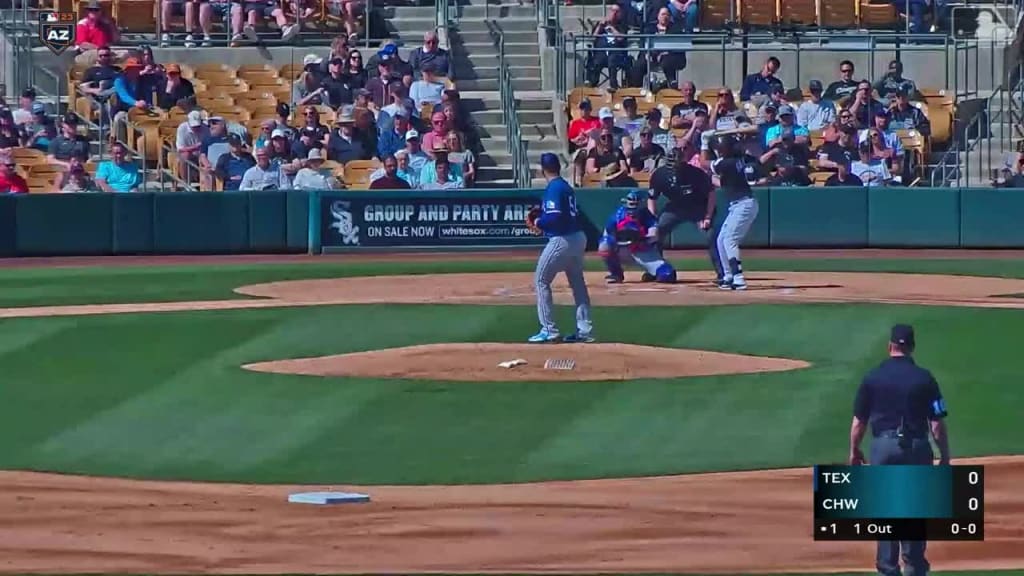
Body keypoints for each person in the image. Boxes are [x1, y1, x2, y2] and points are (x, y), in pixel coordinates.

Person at [850, 324, 950, 576]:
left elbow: (858, 422)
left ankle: (887, 569)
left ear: (890, 346)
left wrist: (854, 451)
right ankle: (914, 567)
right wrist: (945, 456)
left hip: (883, 447)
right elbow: (936, 423)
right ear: (912, 347)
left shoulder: (872, 377)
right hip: (916, 447)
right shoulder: (924, 377)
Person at [528, 153, 593, 344]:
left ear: (542, 169)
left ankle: (549, 329)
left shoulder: (554, 188)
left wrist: (540, 221)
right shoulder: (565, 186)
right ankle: (584, 330)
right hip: (578, 238)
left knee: (541, 280)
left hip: (562, 239)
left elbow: (554, 217)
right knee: (577, 284)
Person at [646, 148, 724, 284]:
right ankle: (655, 269)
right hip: (675, 207)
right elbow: (651, 198)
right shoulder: (660, 175)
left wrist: (707, 217)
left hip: (698, 206)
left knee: (711, 236)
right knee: (656, 232)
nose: (674, 168)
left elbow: (711, 194)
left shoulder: (695, 173)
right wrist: (652, 220)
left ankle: (723, 273)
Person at [710, 134, 762, 291]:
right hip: (738, 204)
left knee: (729, 240)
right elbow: (719, 181)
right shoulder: (734, 161)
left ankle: (738, 278)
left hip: (744, 204)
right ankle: (728, 276)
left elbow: (705, 163)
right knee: (720, 240)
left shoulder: (727, 163)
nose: (719, 151)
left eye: (721, 148)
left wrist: (705, 143)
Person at [600, 190, 678, 284]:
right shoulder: (617, 216)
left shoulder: (647, 216)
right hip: (622, 251)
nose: (633, 208)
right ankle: (616, 273)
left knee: (667, 275)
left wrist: (640, 238)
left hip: (643, 251)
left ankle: (652, 274)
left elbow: (654, 236)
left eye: (636, 204)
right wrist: (620, 239)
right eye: (631, 203)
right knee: (604, 246)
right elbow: (607, 235)